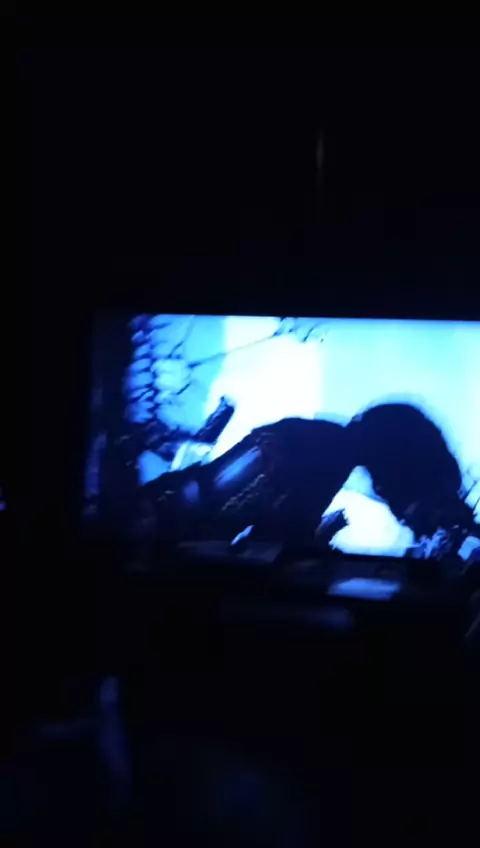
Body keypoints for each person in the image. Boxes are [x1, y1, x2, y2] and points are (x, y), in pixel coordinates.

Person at [139, 402, 477, 552]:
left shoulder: (330, 451)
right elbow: (265, 536)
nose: (405, 516)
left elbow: (276, 535)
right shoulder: (324, 451)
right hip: (154, 542)